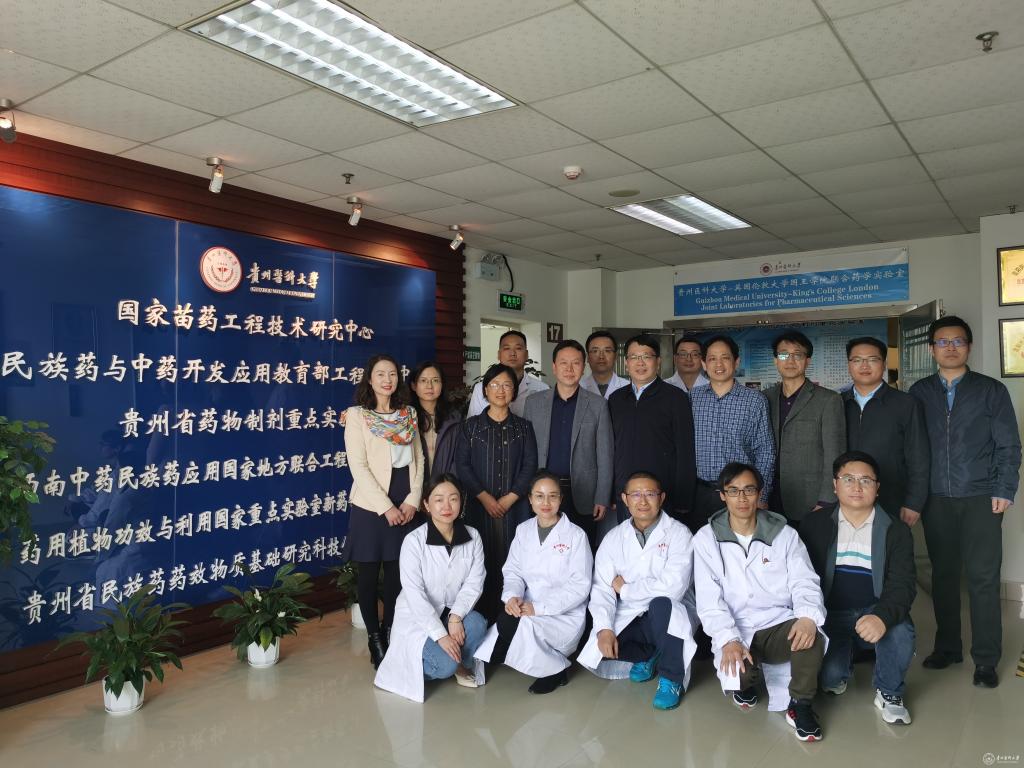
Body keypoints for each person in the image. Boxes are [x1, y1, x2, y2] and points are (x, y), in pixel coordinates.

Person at [909, 316, 1021, 688]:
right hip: (936, 499)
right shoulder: (919, 392)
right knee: (942, 577)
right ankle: (948, 647)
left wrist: (1004, 488)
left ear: (969, 347)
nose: (951, 347)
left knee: (983, 578)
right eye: (943, 342)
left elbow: (1008, 444)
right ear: (931, 349)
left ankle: (986, 659)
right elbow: (913, 449)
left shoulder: (991, 390)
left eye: (958, 341)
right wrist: (915, 496)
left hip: (981, 497)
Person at [693, 463, 826, 742]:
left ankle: (800, 705)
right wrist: (728, 639)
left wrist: (806, 616)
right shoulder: (706, 539)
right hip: (736, 627)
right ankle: (747, 683)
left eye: (749, 490)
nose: (742, 498)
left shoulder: (784, 534)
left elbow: (804, 580)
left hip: (777, 623)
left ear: (759, 493)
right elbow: (708, 598)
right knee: (738, 676)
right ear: (722, 495)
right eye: (733, 491)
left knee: (810, 635)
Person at [800, 451, 916, 725]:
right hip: (831, 614)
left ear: (877, 488)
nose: (856, 487)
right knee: (830, 681)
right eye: (848, 479)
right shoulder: (814, 524)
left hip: (873, 610)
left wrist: (881, 617)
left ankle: (890, 692)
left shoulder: (895, 530)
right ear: (835, 485)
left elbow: (903, 585)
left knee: (901, 629)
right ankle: (846, 654)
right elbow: (800, 578)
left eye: (866, 480)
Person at [577, 472, 697, 711]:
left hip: (669, 611)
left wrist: (626, 589)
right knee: (604, 646)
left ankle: (671, 678)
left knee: (661, 605)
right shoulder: (613, 538)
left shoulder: (679, 534)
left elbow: (672, 588)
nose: (643, 501)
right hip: (632, 614)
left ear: (661, 498)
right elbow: (602, 588)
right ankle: (649, 655)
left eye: (650, 494)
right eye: (635, 494)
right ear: (625, 499)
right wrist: (604, 628)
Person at [475, 471, 593, 694]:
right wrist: (513, 597)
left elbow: (580, 586)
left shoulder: (576, 536)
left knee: (508, 627)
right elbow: (513, 572)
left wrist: (539, 608)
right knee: (498, 639)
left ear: (561, 499)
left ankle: (555, 671)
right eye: (539, 496)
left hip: (563, 614)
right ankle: (549, 662)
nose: (546, 503)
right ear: (530, 499)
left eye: (552, 496)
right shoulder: (523, 530)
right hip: (526, 605)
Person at [374, 474, 487, 702]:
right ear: (426, 504)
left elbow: (475, 582)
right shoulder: (414, 542)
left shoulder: (472, 536)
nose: (447, 506)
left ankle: (457, 663)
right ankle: (433, 666)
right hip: (418, 619)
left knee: (477, 623)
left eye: (453, 499)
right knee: (444, 665)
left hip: (450, 613)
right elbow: (414, 595)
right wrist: (440, 636)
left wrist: (456, 616)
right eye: (438, 499)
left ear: (461, 502)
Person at [344, 354, 425, 668]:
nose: (387, 380)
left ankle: (391, 631)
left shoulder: (408, 414)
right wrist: (386, 507)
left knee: (396, 574)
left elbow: (419, 460)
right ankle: (375, 638)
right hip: (371, 506)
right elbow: (359, 467)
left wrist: (413, 500)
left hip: (405, 503)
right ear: (370, 379)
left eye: (392, 374)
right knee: (368, 576)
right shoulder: (357, 416)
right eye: (380, 374)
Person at [455, 363, 538, 619]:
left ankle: (510, 619)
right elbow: (463, 466)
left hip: (516, 508)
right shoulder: (470, 427)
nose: (501, 390)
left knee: (514, 561)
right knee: (481, 560)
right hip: (480, 506)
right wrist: (485, 497)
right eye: (494, 385)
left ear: (514, 391)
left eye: (507, 385)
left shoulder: (524, 428)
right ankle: (482, 618)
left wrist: (510, 498)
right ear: (485, 390)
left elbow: (530, 465)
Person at [524, 339, 613, 551]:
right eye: (564, 363)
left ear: (584, 367)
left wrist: (602, 497)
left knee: (581, 550)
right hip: (544, 491)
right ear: (554, 367)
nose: (569, 369)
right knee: (543, 549)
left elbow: (605, 454)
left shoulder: (598, 404)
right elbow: (527, 452)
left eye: (576, 363)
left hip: (583, 492)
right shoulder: (534, 403)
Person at [689, 334, 775, 531]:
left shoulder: (755, 401)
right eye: (712, 359)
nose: (718, 364)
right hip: (699, 492)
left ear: (736, 362)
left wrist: (761, 496)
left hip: (740, 494)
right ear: (704, 364)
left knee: (738, 545)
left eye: (725, 358)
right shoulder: (692, 398)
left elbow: (765, 451)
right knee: (701, 545)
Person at [608, 333, 696, 523]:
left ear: (658, 362)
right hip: (626, 494)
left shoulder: (675, 398)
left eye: (646, 356)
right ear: (626, 363)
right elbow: (610, 449)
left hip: (663, 494)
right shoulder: (616, 399)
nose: (640, 363)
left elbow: (685, 451)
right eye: (634, 357)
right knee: (628, 539)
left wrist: (683, 498)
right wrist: (612, 492)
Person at [842, 336, 929, 528]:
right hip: (846, 499)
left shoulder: (906, 404)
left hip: (892, 499)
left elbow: (918, 456)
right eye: (857, 360)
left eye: (872, 359)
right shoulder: (838, 403)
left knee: (890, 545)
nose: (864, 366)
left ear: (884, 364)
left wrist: (914, 502)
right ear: (849, 365)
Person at [764, 330, 846, 525]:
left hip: (810, 500)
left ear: (807, 361)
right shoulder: (765, 398)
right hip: (769, 497)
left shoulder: (828, 400)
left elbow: (835, 453)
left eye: (797, 355)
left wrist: (826, 500)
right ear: (775, 360)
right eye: (783, 355)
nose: (790, 360)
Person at [468, 330, 548, 417]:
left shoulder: (542, 389)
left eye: (518, 348)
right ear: (499, 354)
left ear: (526, 354)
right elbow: (472, 423)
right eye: (506, 348)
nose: (512, 354)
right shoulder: (480, 389)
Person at [409, 360, 461, 482]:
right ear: (414, 386)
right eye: (423, 381)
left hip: (446, 488)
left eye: (435, 380)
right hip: (414, 488)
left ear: (442, 385)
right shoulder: (405, 418)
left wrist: (447, 486)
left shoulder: (454, 419)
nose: (429, 386)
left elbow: (460, 458)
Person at [580, 330, 629, 400]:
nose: (601, 356)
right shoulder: (579, 388)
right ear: (587, 357)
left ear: (616, 356)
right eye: (595, 351)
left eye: (607, 351)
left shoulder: (629, 387)